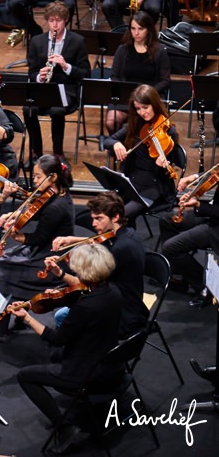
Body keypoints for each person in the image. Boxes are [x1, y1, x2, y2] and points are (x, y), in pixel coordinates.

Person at [13, 243, 122, 455]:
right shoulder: (113, 291)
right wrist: (63, 285)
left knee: (25, 376)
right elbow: (85, 299)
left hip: (87, 371)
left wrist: (27, 317)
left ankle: (64, 426)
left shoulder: (85, 306)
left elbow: (57, 338)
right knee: (54, 357)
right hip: (112, 360)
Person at [50, 191, 149, 336]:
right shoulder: (128, 234)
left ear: (115, 217)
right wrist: (73, 239)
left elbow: (85, 285)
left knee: (61, 317)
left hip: (121, 314)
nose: (93, 224)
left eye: (99, 219)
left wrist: (61, 274)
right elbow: (102, 238)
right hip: (130, 303)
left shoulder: (118, 250)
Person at [0, 155, 75, 303]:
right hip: (45, 244)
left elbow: (39, 238)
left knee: (4, 264)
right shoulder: (55, 193)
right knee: (3, 258)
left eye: (38, 176)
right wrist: (12, 214)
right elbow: (35, 209)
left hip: (52, 253)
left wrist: (18, 237)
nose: (34, 180)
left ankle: (12, 302)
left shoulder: (56, 207)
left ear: (53, 177)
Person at [103, 84, 185, 228]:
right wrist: (116, 144)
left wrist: (161, 166)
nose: (142, 112)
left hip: (154, 186)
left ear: (154, 104)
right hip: (132, 180)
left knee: (121, 217)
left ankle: (128, 245)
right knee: (105, 209)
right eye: (138, 108)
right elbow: (108, 141)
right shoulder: (135, 125)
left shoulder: (168, 131)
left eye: (145, 107)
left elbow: (164, 172)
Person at [23, 1, 90, 162]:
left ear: (65, 20)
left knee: (57, 111)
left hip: (66, 88)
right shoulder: (37, 41)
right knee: (28, 109)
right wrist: (40, 76)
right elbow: (31, 72)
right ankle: (36, 152)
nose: (54, 24)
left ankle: (58, 153)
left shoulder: (77, 41)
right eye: (51, 20)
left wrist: (65, 66)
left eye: (58, 20)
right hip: (44, 88)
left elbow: (85, 73)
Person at [157, 173, 216, 308]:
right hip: (209, 214)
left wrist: (199, 204)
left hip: (215, 225)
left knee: (170, 248)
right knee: (166, 220)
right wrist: (193, 177)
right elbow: (214, 173)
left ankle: (204, 286)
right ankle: (179, 273)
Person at [105, 11, 171, 133]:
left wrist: (147, 94)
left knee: (144, 126)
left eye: (140, 29)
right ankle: (118, 148)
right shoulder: (123, 49)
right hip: (127, 98)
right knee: (111, 121)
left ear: (149, 30)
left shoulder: (159, 51)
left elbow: (165, 80)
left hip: (149, 99)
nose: (136, 33)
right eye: (133, 28)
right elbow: (115, 76)